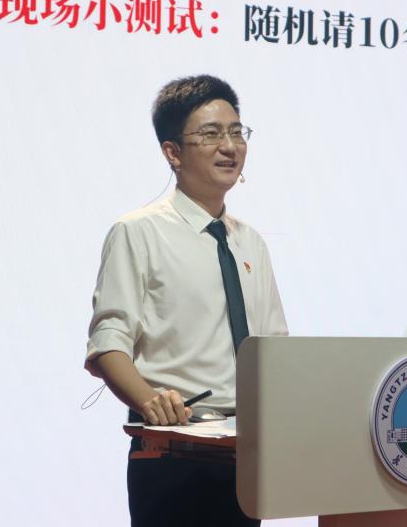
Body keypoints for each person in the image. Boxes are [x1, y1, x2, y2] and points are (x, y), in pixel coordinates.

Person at [85, 75, 288, 527]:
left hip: (245, 454)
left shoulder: (251, 242)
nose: (229, 146)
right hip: (173, 453)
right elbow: (108, 342)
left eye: (236, 132)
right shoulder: (138, 232)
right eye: (211, 134)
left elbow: (274, 348)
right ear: (172, 152)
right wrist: (148, 400)